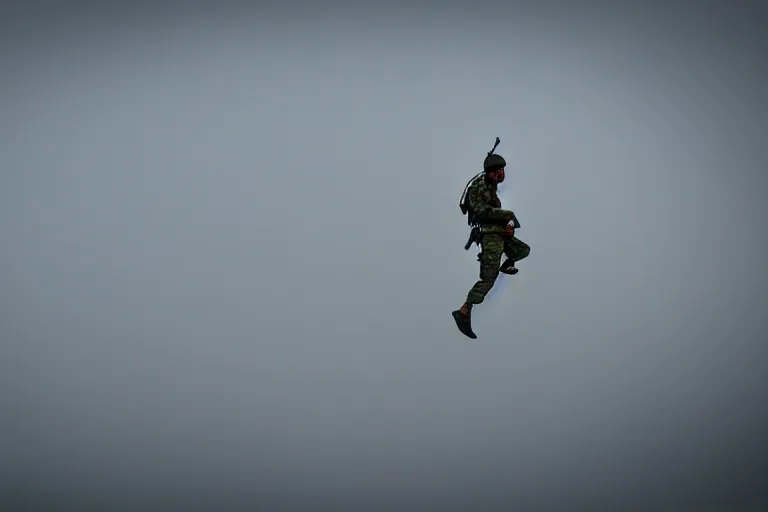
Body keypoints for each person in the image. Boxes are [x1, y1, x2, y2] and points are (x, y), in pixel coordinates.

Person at [452, 153, 530, 339]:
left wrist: (508, 225)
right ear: (491, 172)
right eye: (499, 171)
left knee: (522, 249)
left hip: (499, 232)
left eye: (503, 170)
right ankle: (464, 310)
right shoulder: (478, 187)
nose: (502, 174)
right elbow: (479, 210)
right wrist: (505, 216)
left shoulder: (491, 186)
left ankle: (507, 263)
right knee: (489, 279)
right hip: (489, 235)